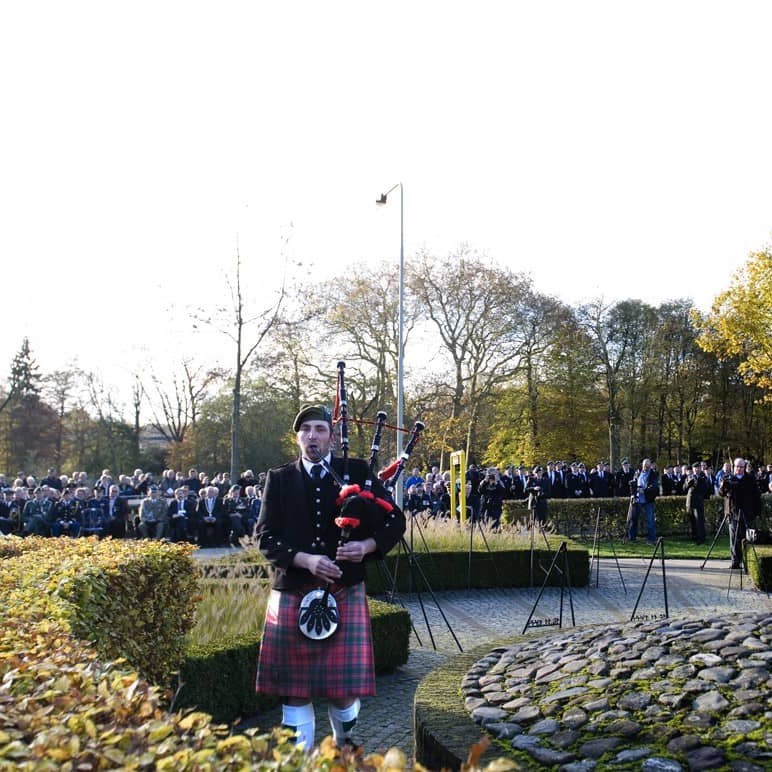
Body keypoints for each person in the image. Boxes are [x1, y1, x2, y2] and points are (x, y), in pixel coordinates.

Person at [255, 404, 406, 751]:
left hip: (343, 588)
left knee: (342, 693)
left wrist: (367, 546)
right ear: (297, 438)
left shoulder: (357, 472)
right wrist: (306, 560)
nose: (312, 436)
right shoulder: (279, 478)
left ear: (332, 437)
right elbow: (264, 536)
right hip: (293, 589)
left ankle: (343, 742)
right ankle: (301, 762)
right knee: (294, 692)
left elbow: (394, 521)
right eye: (305, 429)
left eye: (320, 429)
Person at [719, 457, 761, 569]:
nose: (739, 469)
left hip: (747, 514)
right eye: (737, 466)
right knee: (734, 539)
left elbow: (757, 496)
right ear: (734, 467)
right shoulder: (728, 478)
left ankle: (748, 563)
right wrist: (723, 485)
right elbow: (721, 493)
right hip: (733, 513)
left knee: (748, 539)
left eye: (741, 467)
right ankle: (735, 562)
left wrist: (757, 512)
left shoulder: (750, 479)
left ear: (744, 467)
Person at [627, 458, 659, 542]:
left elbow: (654, 487)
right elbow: (634, 484)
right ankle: (631, 538)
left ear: (650, 465)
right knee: (633, 519)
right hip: (637, 500)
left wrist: (644, 490)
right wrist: (633, 494)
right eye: (645, 465)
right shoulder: (637, 472)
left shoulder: (654, 474)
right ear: (642, 465)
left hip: (648, 500)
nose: (646, 467)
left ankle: (651, 539)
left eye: (648, 466)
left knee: (650, 521)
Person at [684, 462, 711, 544]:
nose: (696, 469)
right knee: (692, 520)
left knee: (699, 520)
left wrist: (697, 483)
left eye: (698, 468)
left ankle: (701, 538)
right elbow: (684, 488)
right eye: (695, 468)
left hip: (698, 501)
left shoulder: (703, 477)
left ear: (700, 468)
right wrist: (688, 483)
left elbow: (706, 489)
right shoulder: (689, 476)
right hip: (690, 501)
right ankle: (694, 536)